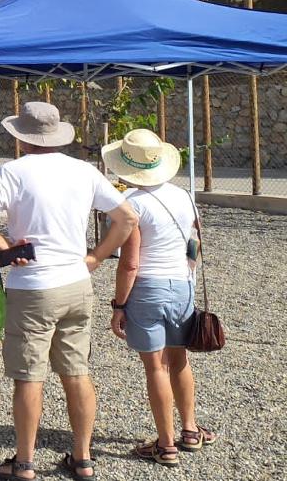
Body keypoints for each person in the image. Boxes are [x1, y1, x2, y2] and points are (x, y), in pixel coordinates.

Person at [0, 102, 138, 481]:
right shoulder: (83, 170)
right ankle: (82, 458)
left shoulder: (13, 172)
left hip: (34, 287)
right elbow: (127, 217)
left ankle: (25, 463)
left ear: (20, 136)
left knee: (30, 375)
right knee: (77, 371)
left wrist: (7, 249)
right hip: (76, 282)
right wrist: (96, 256)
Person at [102, 129, 216, 466]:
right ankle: (191, 431)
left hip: (147, 288)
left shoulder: (132, 205)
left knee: (155, 367)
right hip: (182, 284)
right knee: (179, 359)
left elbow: (130, 262)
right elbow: (195, 241)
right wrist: (188, 272)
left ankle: (165, 444)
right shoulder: (184, 196)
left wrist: (119, 305)